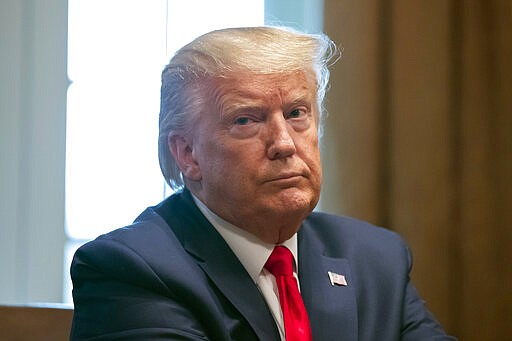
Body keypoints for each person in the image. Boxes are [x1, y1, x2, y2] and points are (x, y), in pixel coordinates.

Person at [70, 26, 456, 340]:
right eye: (246, 120)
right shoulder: (132, 269)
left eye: (297, 113)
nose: (284, 143)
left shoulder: (375, 258)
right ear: (188, 154)